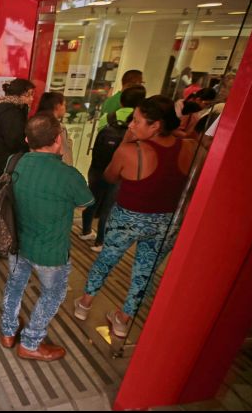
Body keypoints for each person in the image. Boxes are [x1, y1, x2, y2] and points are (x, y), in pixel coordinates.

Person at [75, 96, 197, 338]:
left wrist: (125, 144)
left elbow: (109, 177)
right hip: (166, 222)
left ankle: (84, 304)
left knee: (107, 259)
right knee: (145, 271)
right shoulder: (189, 147)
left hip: (129, 218)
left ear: (156, 125)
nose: (130, 125)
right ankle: (122, 320)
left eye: (137, 121)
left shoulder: (131, 151)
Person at [0, 114, 94, 361]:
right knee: (52, 294)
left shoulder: (14, 161)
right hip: (50, 251)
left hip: (17, 243)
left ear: (27, 139)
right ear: (57, 140)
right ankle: (30, 342)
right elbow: (86, 203)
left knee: (14, 285)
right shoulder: (68, 175)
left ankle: (8, 332)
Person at [81, 86, 147, 251]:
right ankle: (101, 242)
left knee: (92, 200)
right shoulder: (141, 124)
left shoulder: (107, 117)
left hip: (99, 166)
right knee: (109, 207)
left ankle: (86, 231)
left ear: (122, 100)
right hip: (121, 170)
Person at [0, 78, 34, 231]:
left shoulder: (1, 107)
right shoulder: (12, 113)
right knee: (2, 204)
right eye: (29, 94)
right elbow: (14, 141)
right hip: (4, 163)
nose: (32, 98)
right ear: (19, 95)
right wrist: (29, 144)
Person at [37, 92, 73, 165]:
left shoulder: (35, 123)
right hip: (57, 167)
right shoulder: (58, 127)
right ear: (57, 106)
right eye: (64, 105)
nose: (65, 108)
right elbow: (64, 154)